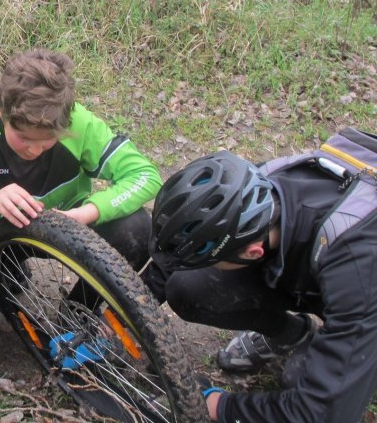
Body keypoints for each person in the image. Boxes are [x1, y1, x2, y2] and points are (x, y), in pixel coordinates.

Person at [0, 48, 162, 377]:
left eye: (47, 140)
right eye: (23, 139)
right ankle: (8, 269)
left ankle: (79, 309)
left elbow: (146, 176)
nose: (34, 150)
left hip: (66, 230)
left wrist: (88, 213)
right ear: (0, 110)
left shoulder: (79, 123)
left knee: (136, 230)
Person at [147, 150, 377, 422]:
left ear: (253, 252)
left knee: (297, 381)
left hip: (362, 289)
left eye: (213, 259)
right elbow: (181, 248)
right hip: (315, 272)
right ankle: (296, 334)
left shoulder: (353, 267)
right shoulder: (252, 185)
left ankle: (349, 343)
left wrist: (219, 405)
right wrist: (133, 307)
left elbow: (321, 414)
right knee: (190, 291)